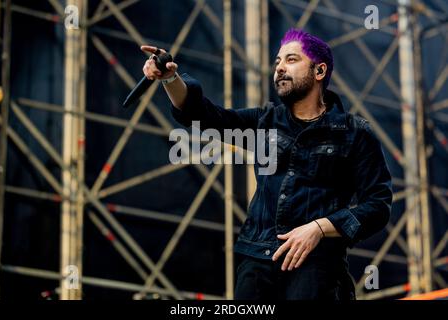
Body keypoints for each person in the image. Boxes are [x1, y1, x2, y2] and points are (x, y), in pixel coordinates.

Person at [141, 28, 393, 300]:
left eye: (291, 60)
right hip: (257, 261)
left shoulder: (354, 133)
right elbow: (202, 116)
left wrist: (319, 227)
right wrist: (170, 79)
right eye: (277, 62)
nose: (280, 69)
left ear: (319, 71)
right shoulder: (265, 122)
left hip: (317, 266)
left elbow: (378, 205)